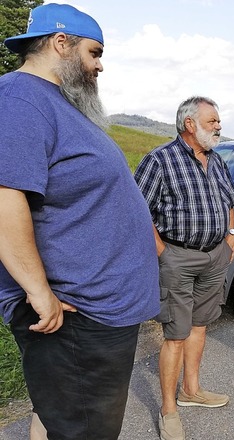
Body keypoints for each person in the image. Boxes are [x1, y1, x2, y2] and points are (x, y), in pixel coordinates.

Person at [0, 4, 160, 440]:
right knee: (86, 431)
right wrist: (38, 292)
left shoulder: (58, 103)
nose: (99, 65)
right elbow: (4, 199)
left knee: (67, 421)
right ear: (60, 43)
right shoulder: (19, 98)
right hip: (75, 314)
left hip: (95, 312)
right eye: (94, 52)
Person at [134, 96, 234, 440]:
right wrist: (163, 252)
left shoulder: (216, 159)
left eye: (218, 121)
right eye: (212, 121)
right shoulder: (159, 160)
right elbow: (138, 212)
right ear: (189, 124)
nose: (218, 126)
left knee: (200, 326)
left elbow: (229, 202)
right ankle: (169, 410)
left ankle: (191, 390)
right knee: (175, 335)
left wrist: (230, 237)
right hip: (177, 257)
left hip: (214, 256)